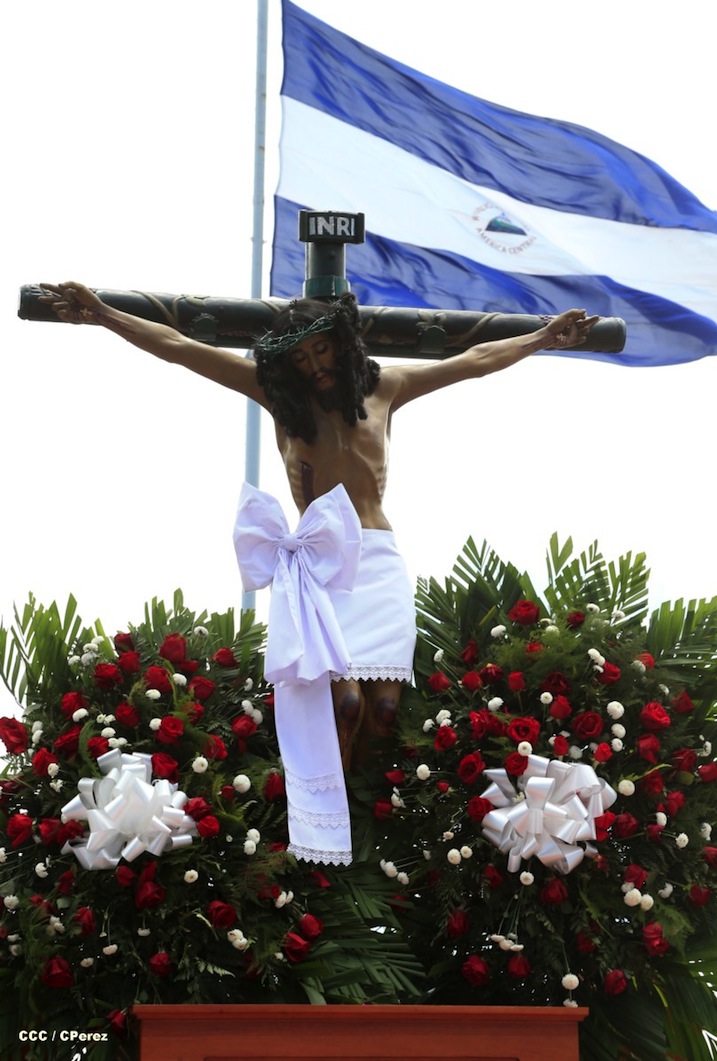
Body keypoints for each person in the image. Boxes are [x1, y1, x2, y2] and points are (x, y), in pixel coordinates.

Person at [40, 282, 598, 772]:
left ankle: (369, 811)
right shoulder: (281, 401)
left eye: (322, 349)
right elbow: (183, 349)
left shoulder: (386, 388)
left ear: (342, 342)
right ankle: (325, 811)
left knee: (383, 710)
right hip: (321, 566)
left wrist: (543, 336)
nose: (315, 365)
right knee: (347, 703)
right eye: (302, 359)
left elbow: (475, 359)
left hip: (378, 560)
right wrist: (104, 314)